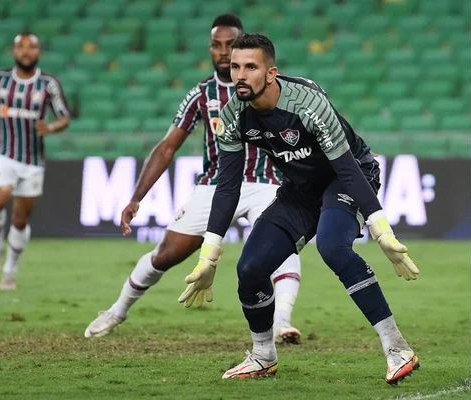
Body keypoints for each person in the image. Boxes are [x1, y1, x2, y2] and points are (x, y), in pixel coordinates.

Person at [178, 33, 421, 384]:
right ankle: (263, 356)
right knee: (250, 268)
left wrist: (381, 228)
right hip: (301, 190)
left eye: (251, 67)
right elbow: (228, 184)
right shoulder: (233, 115)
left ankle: (397, 347)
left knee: (333, 246)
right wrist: (209, 255)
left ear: (271, 72)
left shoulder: (307, 103)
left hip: (348, 175)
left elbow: (348, 167)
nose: (240, 75)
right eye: (235, 67)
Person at [85, 15, 303, 344]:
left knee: (282, 248)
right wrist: (136, 198)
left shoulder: (277, 85)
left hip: (266, 183)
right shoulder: (203, 94)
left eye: (231, 44)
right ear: (210, 49)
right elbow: (167, 147)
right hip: (216, 186)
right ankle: (117, 310)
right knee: (166, 255)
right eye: (217, 45)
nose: (224, 52)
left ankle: (282, 323)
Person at [0, 32, 70, 290]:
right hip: (3, 152)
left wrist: (52, 127)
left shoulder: (48, 84)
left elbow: (64, 116)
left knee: (20, 220)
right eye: (20, 47)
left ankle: (10, 271)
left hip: (33, 160)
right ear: (14, 52)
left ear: (38, 53)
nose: (25, 52)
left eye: (31, 47)